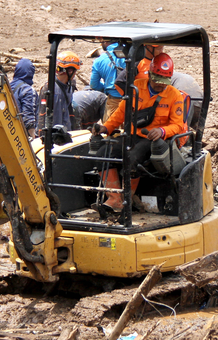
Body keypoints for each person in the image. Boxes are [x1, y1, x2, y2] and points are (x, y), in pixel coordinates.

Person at [92, 53, 185, 213]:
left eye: (164, 82)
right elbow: (120, 113)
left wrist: (162, 131)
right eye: (157, 80)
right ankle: (115, 198)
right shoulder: (136, 88)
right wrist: (105, 128)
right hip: (133, 135)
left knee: (132, 159)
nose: (160, 85)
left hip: (155, 141)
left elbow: (177, 125)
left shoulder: (174, 96)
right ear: (150, 74)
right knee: (102, 153)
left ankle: (127, 199)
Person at [40, 51, 81, 131]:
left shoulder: (68, 86)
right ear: (70, 71)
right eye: (75, 71)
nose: (75, 73)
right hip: (55, 136)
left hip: (65, 132)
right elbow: (42, 116)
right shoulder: (51, 89)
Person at [90, 43, 126, 121]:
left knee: (110, 130)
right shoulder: (131, 54)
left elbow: (94, 85)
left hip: (113, 101)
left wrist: (106, 87)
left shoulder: (99, 60)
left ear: (106, 41)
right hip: (133, 101)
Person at [10, 58, 39, 138]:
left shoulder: (7, 87)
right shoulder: (28, 90)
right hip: (22, 137)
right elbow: (28, 117)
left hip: (9, 132)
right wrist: (33, 137)